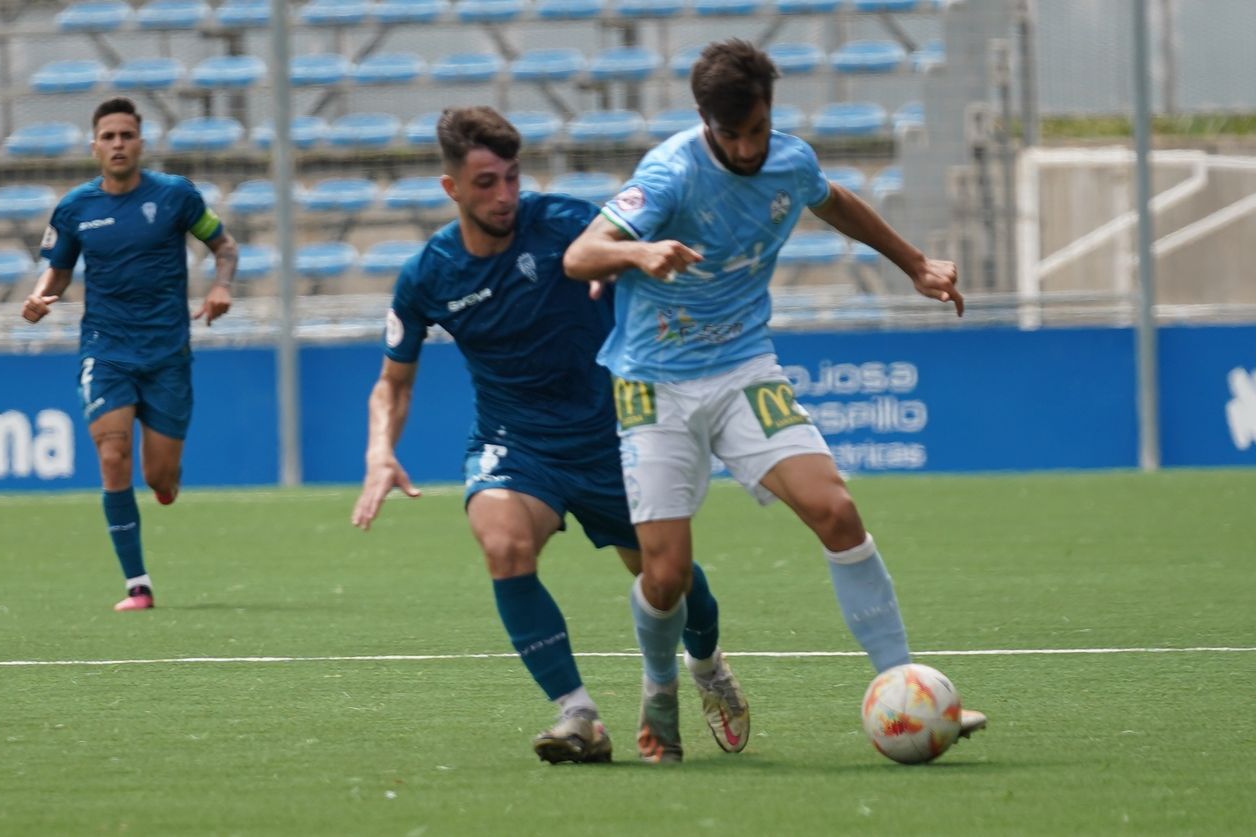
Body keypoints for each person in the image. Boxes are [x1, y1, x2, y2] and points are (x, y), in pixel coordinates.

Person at [562, 38, 985, 759]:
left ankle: (904, 686)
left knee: (836, 508)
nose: (748, 146)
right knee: (664, 575)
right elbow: (578, 255)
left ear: (770, 112)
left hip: (741, 368)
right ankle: (661, 687)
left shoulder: (790, 158)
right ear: (706, 121)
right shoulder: (669, 173)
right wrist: (638, 252)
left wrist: (914, 263)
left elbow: (835, 201)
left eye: (757, 129)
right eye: (732, 134)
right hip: (651, 381)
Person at [351, 106, 748, 765]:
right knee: (504, 543)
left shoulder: (565, 223)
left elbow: (647, 245)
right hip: (518, 444)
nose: (504, 195)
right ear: (451, 188)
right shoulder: (428, 274)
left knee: (667, 578)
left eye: (511, 177)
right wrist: (378, 451)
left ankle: (707, 662)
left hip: (615, 435)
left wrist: (627, 259)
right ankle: (579, 715)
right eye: (485, 182)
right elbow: (393, 381)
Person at [21, 96, 238, 612]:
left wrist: (221, 286)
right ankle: (137, 584)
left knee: (161, 479)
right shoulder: (75, 208)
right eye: (109, 136)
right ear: (93, 146)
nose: (118, 144)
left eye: (127, 135)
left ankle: (165, 483)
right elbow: (58, 266)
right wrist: (38, 294)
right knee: (113, 457)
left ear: (140, 142)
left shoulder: (175, 197)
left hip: (167, 352)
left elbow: (224, 246)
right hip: (107, 349)